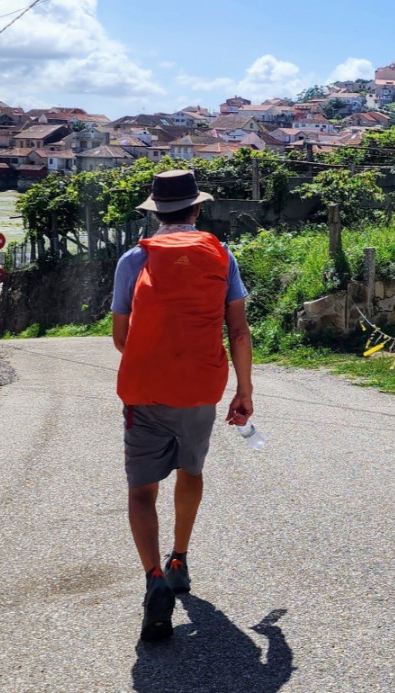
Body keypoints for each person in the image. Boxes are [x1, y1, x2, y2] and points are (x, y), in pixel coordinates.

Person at [110, 168, 254, 643]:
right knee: (191, 472)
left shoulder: (134, 259)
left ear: (154, 212)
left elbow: (119, 338)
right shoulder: (220, 255)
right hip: (200, 387)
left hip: (145, 390)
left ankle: (153, 578)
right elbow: (237, 329)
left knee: (140, 491)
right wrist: (244, 391)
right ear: (197, 209)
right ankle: (179, 559)